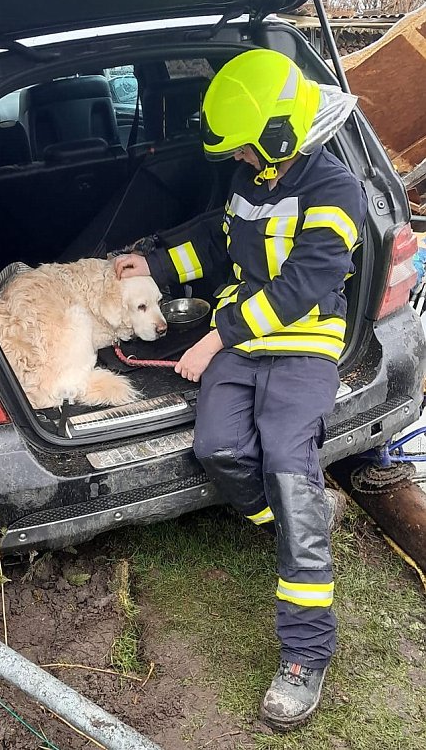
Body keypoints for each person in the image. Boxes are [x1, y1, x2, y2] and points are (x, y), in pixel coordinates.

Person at [114, 48, 367, 731]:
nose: (239, 159)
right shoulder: (252, 179)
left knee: (287, 464)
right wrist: (155, 262)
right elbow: (220, 241)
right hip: (241, 341)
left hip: (301, 345)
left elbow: (304, 284)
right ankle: (290, 523)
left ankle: (305, 653)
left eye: (245, 148)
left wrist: (214, 338)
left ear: (281, 134)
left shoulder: (336, 191)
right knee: (219, 450)